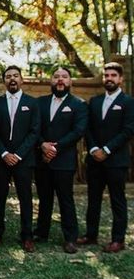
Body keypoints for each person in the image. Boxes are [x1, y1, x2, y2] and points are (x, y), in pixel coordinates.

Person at [78, 62, 134, 253]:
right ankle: (91, 235)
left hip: (116, 161)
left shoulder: (128, 102)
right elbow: (88, 128)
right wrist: (94, 148)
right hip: (95, 160)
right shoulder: (95, 101)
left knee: (117, 200)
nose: (109, 78)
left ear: (121, 79)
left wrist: (107, 150)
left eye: (113, 75)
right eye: (106, 75)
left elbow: (128, 130)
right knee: (93, 199)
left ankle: (118, 239)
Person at [35, 67, 88, 253]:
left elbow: (78, 131)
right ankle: (41, 232)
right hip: (43, 159)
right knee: (44, 198)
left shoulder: (79, 104)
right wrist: (42, 145)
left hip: (64, 160)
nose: (60, 80)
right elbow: (34, 128)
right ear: (51, 81)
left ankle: (70, 238)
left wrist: (55, 147)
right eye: (56, 77)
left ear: (70, 82)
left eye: (64, 77)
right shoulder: (40, 103)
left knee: (66, 199)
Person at [0, 66, 40, 253]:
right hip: (1, 158)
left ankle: (27, 236)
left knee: (25, 197)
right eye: (8, 76)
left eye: (15, 76)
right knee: (0, 196)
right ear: (4, 80)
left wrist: (18, 154)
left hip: (24, 159)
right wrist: (4, 153)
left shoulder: (32, 103)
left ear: (22, 80)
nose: (12, 79)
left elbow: (34, 131)